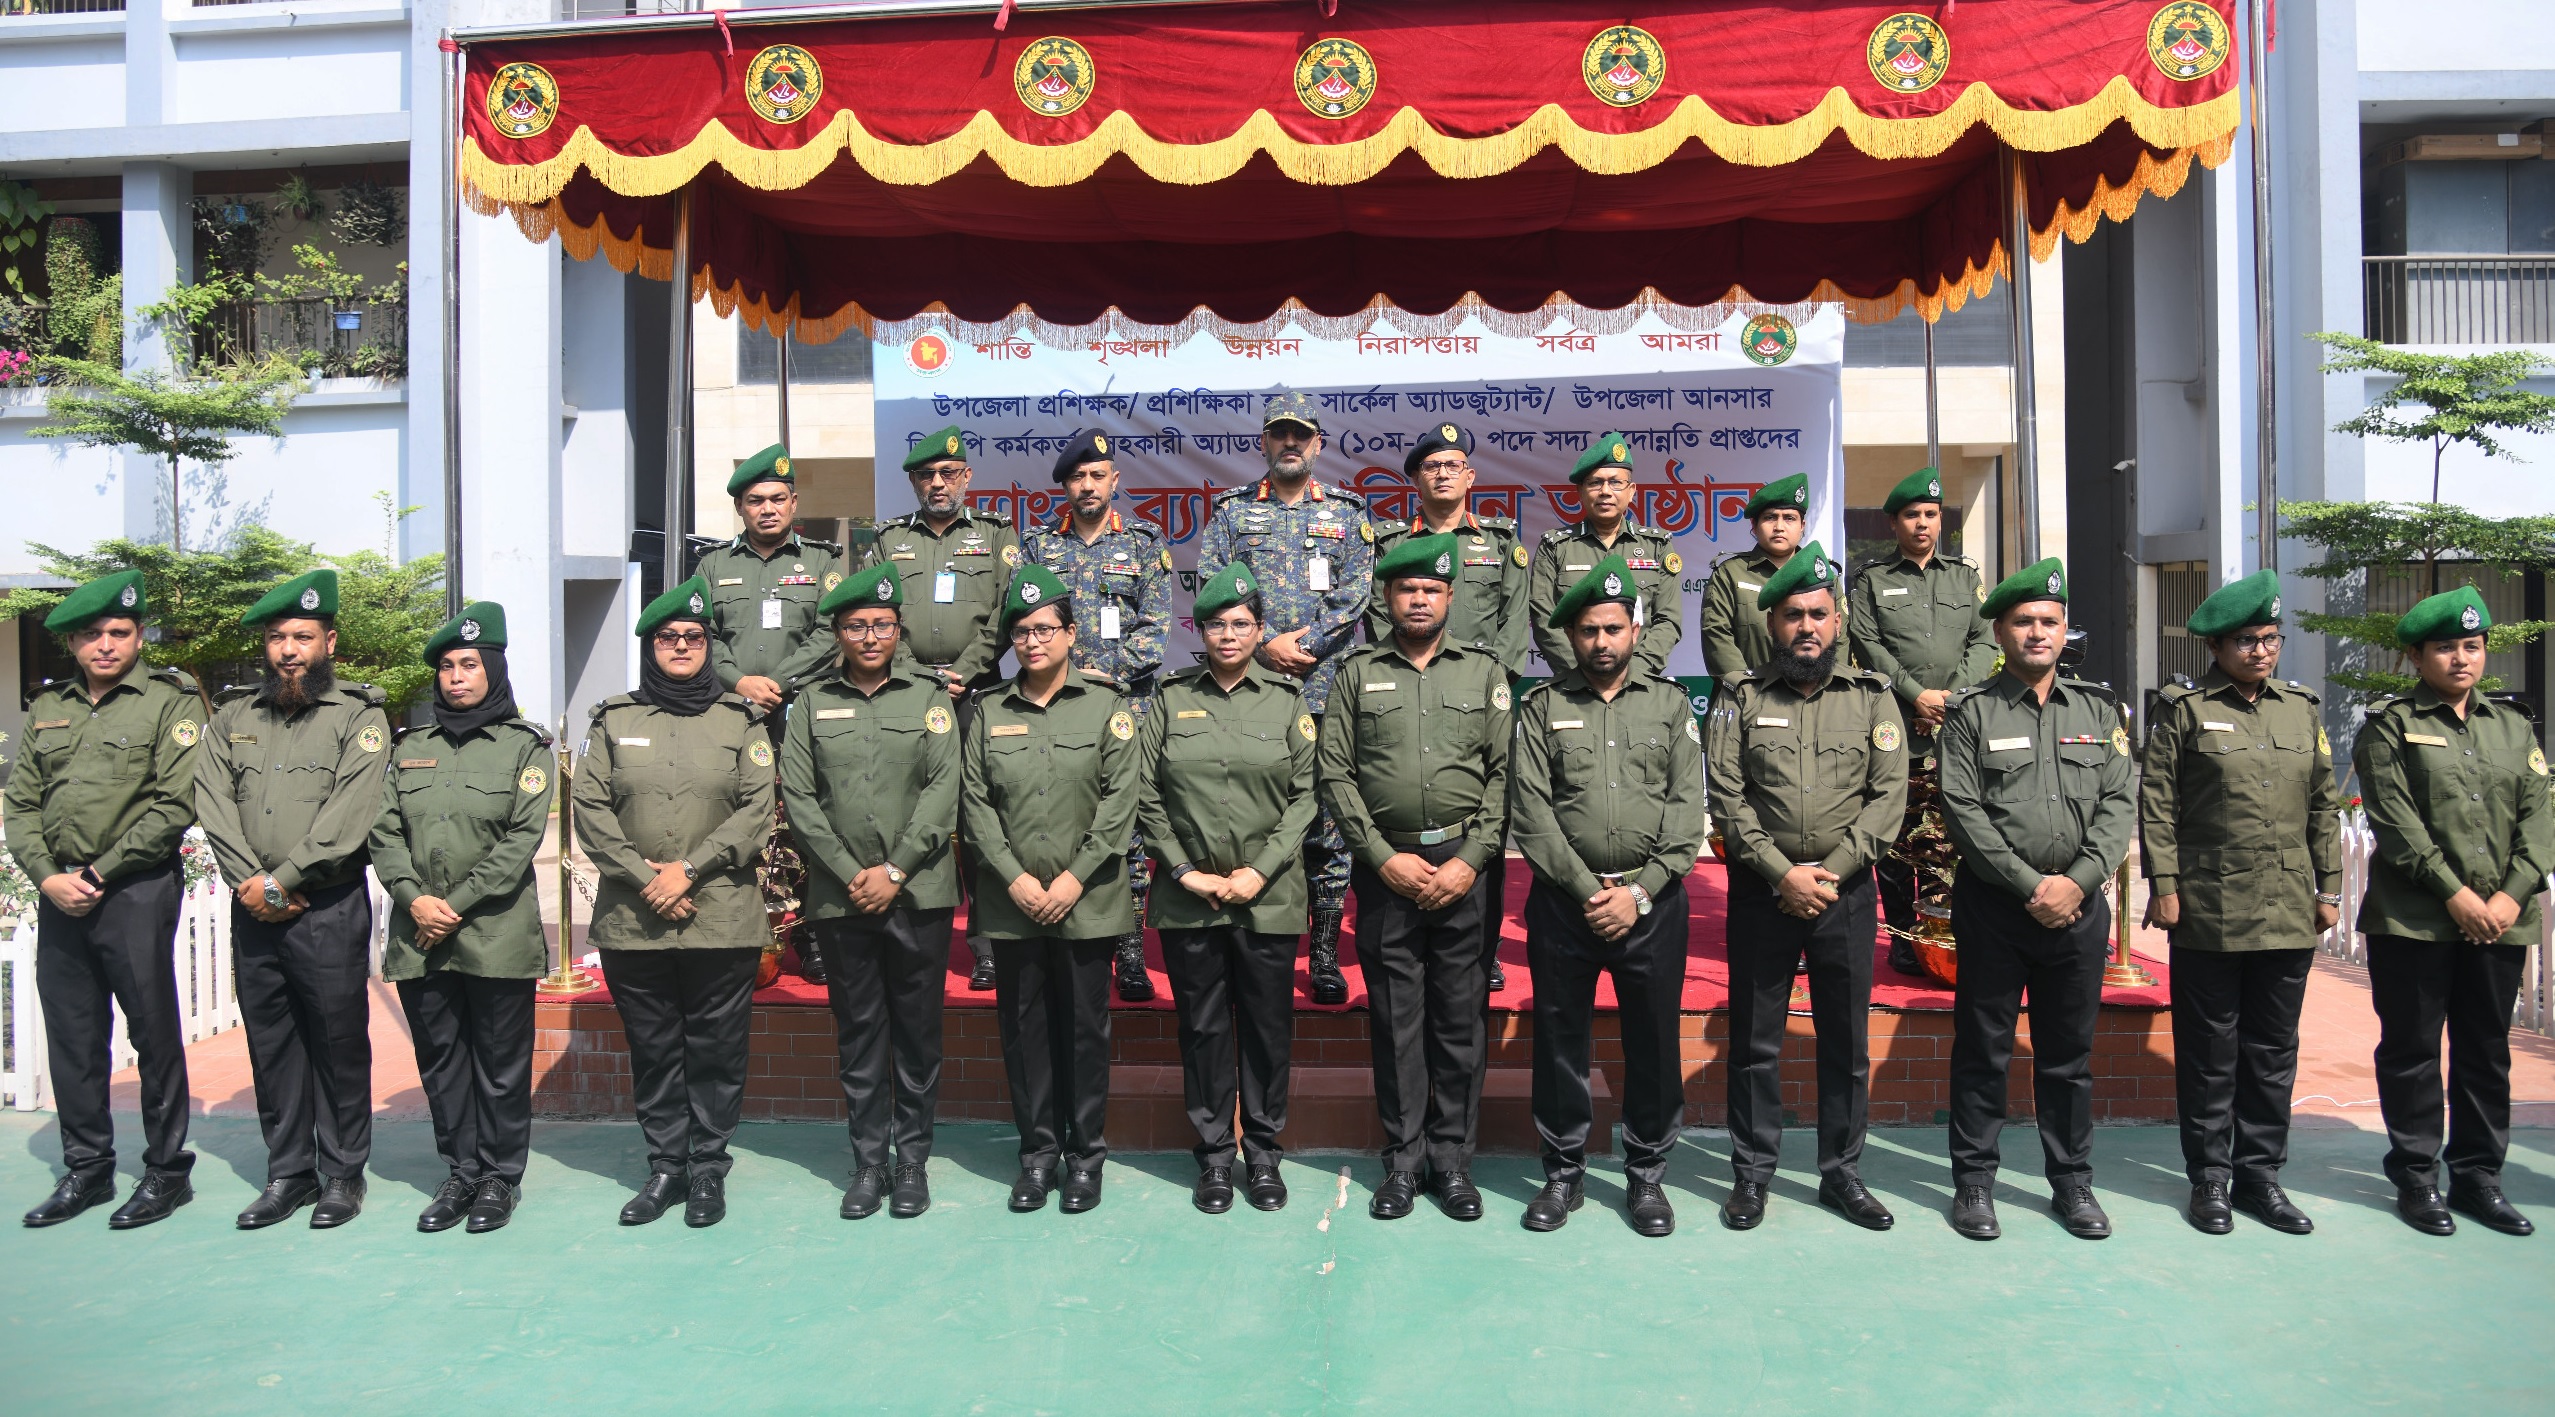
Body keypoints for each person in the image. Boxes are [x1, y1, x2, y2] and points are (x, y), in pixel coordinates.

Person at [1705, 544, 1909, 1233]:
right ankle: (1752, 1175)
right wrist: (1779, 872)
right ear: (1772, 624)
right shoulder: (1741, 697)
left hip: (1843, 895)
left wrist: (1831, 870)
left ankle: (1841, 1172)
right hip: (1763, 892)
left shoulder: (1873, 697)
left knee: (1844, 1043)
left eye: (1817, 613)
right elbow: (1726, 796)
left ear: (1838, 618)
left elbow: (1888, 798)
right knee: (1754, 1042)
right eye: (1792, 614)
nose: (1805, 627)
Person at [1934, 557, 2134, 1242]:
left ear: (2063, 630)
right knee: (1983, 1048)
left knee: (2066, 1054)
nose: (2037, 632)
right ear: (1999, 630)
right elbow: (1961, 808)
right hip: (1996, 909)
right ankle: (1973, 1184)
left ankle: (2072, 1182)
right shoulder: (1970, 712)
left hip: (2076, 910)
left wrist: (2074, 883)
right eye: (2023, 620)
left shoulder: (2098, 710)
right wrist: (2031, 886)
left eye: (2048, 621)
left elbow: (2117, 803)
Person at [2138, 570, 2340, 1237]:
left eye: (2269, 638)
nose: (2259, 650)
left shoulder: (2300, 708)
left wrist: (2329, 887)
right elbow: (2158, 803)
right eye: (2245, 640)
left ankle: (2260, 1176)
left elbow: (2322, 803)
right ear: (2218, 647)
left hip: (2285, 908)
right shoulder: (2185, 710)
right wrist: (2163, 886)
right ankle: (2210, 1178)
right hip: (2209, 907)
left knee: (2271, 1049)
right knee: (2208, 1050)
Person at [1508, 555, 1703, 1237]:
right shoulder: (1542, 706)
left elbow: (1685, 813)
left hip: (1650, 907)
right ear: (1571, 635)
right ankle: (1562, 1175)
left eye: (1613, 628)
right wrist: (1593, 891)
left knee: (1652, 1041)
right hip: (1567, 903)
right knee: (1560, 1039)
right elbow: (1531, 814)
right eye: (1588, 630)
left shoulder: (1670, 704)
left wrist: (1639, 892)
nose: (1601, 642)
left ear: (1635, 627)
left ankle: (1647, 1176)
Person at [573, 576, 776, 1229]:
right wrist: (644, 876)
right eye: (668, 637)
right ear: (649, 645)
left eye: (693, 636)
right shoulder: (613, 718)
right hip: (636, 918)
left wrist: (688, 869)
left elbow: (757, 808)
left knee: (717, 1047)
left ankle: (709, 1167)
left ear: (709, 644)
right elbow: (590, 808)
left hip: (719, 914)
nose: (682, 645)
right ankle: (666, 1165)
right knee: (655, 1046)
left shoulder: (738, 719)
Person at [1320, 533, 1512, 1221]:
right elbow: (1335, 773)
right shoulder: (1356, 673)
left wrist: (1468, 859)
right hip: (1387, 869)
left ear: (1450, 596)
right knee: (1398, 1022)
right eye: (1407, 589)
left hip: (1464, 867)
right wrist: (1380, 855)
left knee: (1459, 1021)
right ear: (1388, 597)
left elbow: (1502, 776)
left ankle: (1453, 1164)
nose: (1419, 598)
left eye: (1431, 589)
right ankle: (1402, 1162)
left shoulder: (1483, 672)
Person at [194, 568, 393, 1230]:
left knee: (337, 1041)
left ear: (328, 642)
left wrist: (285, 879)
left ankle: (341, 1174)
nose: (287, 649)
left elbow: (352, 811)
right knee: (272, 1042)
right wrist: (251, 880)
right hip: (253, 909)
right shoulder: (231, 718)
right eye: (277, 636)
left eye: (301, 636)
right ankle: (288, 1173)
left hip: (327, 908)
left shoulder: (359, 717)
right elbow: (214, 803)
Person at [2352, 584, 2552, 1238]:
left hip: (2500, 918)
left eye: (2471, 645)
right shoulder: (2388, 725)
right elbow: (2394, 821)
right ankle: (2416, 1176)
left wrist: (2508, 893)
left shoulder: (2512, 724)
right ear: (2415, 656)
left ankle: (2476, 1178)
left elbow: (2539, 816)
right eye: (2444, 647)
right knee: (2411, 1050)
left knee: (2484, 1050)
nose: (2460, 659)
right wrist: (2456, 894)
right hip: (2415, 919)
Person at [8, 570, 201, 1230]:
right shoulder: (49, 706)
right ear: (74, 644)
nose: (106, 644)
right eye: (92, 634)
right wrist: (47, 874)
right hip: (60, 890)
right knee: (73, 1034)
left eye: (119, 632)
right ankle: (87, 1168)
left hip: (135, 890)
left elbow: (174, 803)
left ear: (138, 634)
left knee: (152, 1031)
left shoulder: (170, 702)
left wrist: (97, 871)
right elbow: (20, 801)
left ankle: (166, 1170)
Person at [780, 563, 961, 1221]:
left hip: (919, 894)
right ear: (837, 631)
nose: (868, 635)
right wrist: (850, 870)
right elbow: (798, 796)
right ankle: (868, 1162)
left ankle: (911, 1163)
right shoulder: (811, 703)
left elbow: (944, 789)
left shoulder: (929, 698)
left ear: (897, 628)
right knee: (859, 1033)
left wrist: (897, 869)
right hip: (841, 896)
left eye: (881, 624)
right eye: (855, 625)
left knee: (916, 1033)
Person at [961, 565, 1143, 1215]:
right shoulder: (988, 711)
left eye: (1043, 629)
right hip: (1012, 905)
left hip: (1087, 900)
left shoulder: (1107, 708)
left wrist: (1072, 876)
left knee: (1084, 1031)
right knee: (1025, 1029)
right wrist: (1013, 875)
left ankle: (1085, 1156)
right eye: (1020, 631)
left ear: (1070, 633)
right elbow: (975, 803)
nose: (1031, 641)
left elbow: (1121, 802)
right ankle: (1038, 1155)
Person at [1137, 564, 1319, 1215]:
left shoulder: (1287, 700)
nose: (1229, 633)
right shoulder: (1169, 698)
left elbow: (1305, 797)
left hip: (1265, 897)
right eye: (1217, 622)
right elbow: (1145, 792)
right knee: (1205, 1029)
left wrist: (1258, 870)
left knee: (1268, 1028)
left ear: (1259, 629)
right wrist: (1187, 871)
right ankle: (1215, 1156)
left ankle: (1264, 1153)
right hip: (1191, 898)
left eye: (1241, 622)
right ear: (1200, 629)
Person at [367, 602, 552, 1235]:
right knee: (441, 1059)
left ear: (493, 670)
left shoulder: (526, 748)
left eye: (470, 664)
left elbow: (520, 840)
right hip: (420, 933)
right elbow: (384, 829)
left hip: (495, 931)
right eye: (447, 667)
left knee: (500, 1063)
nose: (456, 677)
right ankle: (461, 1173)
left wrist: (455, 904)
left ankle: (500, 1178)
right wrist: (412, 896)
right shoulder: (410, 748)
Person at [1196, 392, 1374, 1006]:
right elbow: (1212, 585)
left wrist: (1308, 647)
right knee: (1259, 817)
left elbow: (1356, 593)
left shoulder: (1349, 515)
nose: (1290, 444)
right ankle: (1264, 938)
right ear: (1264, 444)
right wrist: (1266, 644)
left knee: (1328, 824)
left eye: (1301, 435)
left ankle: (1323, 950)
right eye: (1279, 435)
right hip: (1250, 691)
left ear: (1318, 444)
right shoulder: (1232, 513)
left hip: (1325, 692)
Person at [1367, 421, 1532, 993]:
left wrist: (1491, 684)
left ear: (1470, 476)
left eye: (1452, 465)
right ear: (1414, 478)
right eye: (1431, 466)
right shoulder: (1390, 545)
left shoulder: (1500, 540)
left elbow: (1516, 619)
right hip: (1407, 692)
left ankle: (1482, 949)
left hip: (1481, 698)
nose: (1442, 474)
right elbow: (1372, 615)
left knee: (1490, 809)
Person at [866, 425, 1020, 991]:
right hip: (906, 694)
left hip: (976, 694)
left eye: (948, 474)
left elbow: (1008, 609)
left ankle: (986, 946)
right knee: (908, 813)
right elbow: (874, 613)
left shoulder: (998, 535)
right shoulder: (886, 541)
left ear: (966, 478)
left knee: (980, 821)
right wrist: (914, 671)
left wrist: (966, 670)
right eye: (927, 474)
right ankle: (907, 936)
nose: (938, 483)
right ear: (912, 480)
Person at [1023, 431, 1171, 1003]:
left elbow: (1156, 627)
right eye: (1077, 477)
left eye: (1098, 475)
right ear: (1064, 485)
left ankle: (1129, 951)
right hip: (1049, 708)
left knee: (1127, 830)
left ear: (1115, 482)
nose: (1088, 485)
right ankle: (1056, 929)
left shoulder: (1144, 541)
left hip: (1123, 707)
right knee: (1058, 818)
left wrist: (1104, 676)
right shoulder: (1038, 548)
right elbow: (1026, 622)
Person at [696, 442, 846, 984]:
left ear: (794, 502)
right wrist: (740, 682)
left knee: (805, 824)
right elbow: (700, 636)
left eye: (777, 499)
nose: (767, 509)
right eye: (755, 500)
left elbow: (834, 634)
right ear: (740, 507)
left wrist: (775, 682)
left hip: (801, 715)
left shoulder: (822, 562)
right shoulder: (712, 566)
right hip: (733, 718)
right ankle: (744, 930)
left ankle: (808, 934)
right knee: (736, 821)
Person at [1848, 468, 1995, 972]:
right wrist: (1916, 694)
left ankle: (1946, 928)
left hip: (1957, 730)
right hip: (1898, 726)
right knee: (1897, 837)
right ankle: (1904, 937)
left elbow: (1985, 640)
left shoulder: (1964, 577)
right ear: (1894, 522)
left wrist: (1953, 697)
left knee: (1953, 835)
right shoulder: (1871, 579)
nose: (1923, 523)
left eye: (1931, 514)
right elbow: (1868, 644)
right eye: (1912, 515)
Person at [1528, 432, 1684, 680]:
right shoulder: (1556, 547)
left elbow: (1668, 621)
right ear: (1580, 492)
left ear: (1632, 491)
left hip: (1641, 683)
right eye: (1595, 483)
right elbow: (1544, 619)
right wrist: (1579, 674)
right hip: (1574, 684)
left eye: (1615, 482)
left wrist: (1635, 675)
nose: (1605, 491)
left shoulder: (1657, 547)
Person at [1700, 474, 1830, 682]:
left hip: (1814, 696)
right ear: (1754, 525)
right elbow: (1716, 635)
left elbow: (1839, 640)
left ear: (1803, 525)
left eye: (1789, 518)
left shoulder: (1822, 574)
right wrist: (1748, 689)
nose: (1779, 526)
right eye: (1770, 517)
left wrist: (1823, 689)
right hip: (1748, 697)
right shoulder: (1730, 574)